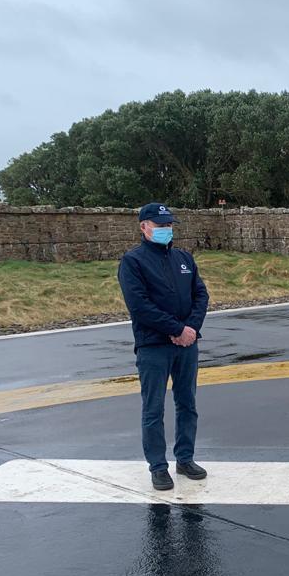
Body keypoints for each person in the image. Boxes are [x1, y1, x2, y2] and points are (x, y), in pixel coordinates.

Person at [118, 203, 210, 490]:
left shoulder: (184, 258)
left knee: (187, 403)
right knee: (154, 408)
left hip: (187, 344)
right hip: (154, 346)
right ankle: (158, 466)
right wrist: (175, 329)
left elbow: (201, 294)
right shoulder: (133, 262)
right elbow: (140, 306)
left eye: (169, 225)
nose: (166, 230)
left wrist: (191, 329)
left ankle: (185, 458)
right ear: (144, 227)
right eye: (160, 226)